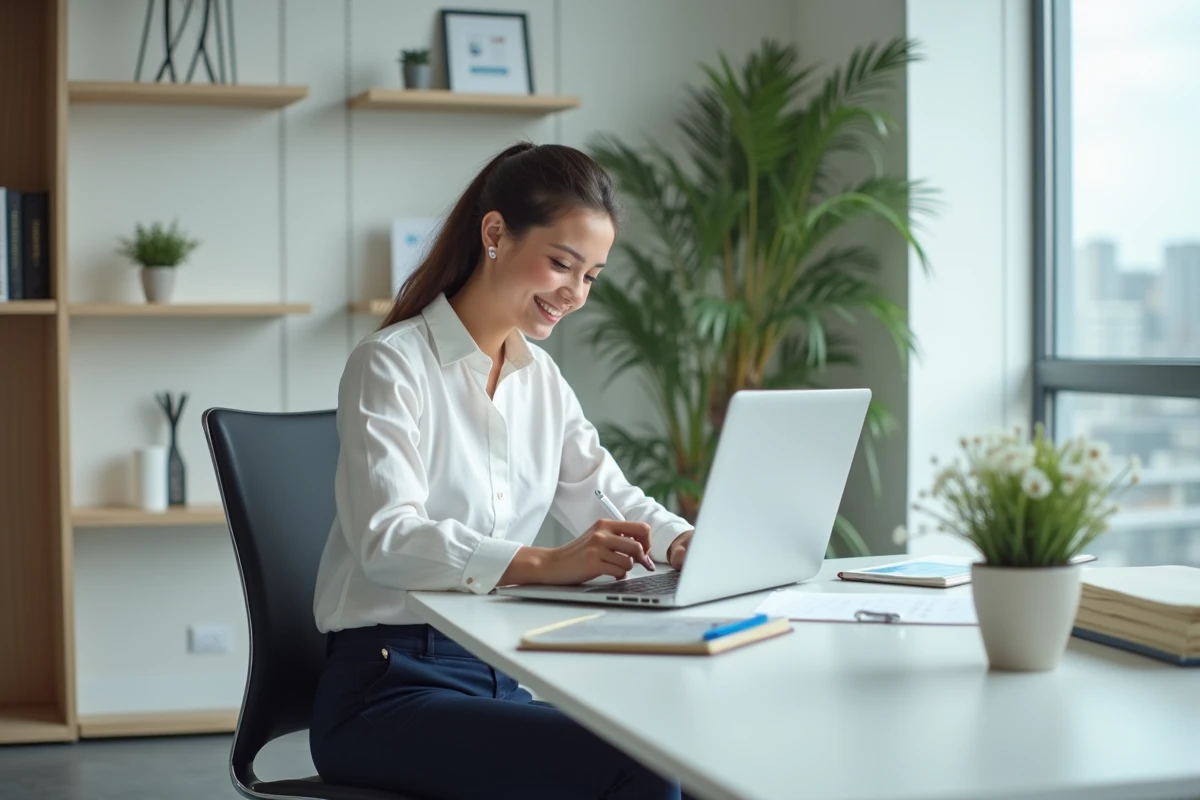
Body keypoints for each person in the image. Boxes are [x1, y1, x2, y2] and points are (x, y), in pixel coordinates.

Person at [309, 141, 697, 800]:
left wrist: (683, 541)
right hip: (387, 690)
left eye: (592, 276)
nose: (574, 293)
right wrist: (543, 562)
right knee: (642, 770)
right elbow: (387, 539)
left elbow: (608, 494)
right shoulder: (390, 364)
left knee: (680, 746)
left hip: (502, 671)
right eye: (561, 264)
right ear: (495, 233)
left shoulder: (539, 377)